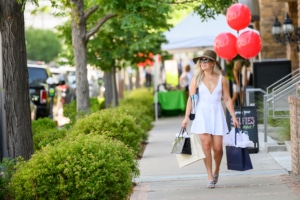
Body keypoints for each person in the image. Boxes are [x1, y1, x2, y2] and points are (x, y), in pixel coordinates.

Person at [181, 50, 239, 189]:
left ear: (213, 63)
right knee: (206, 145)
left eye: (206, 60)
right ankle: (209, 176)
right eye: (201, 61)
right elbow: (191, 98)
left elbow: (227, 99)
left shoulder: (222, 79)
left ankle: (217, 169)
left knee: (218, 149)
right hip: (202, 114)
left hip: (217, 113)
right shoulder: (196, 79)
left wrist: (233, 116)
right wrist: (186, 118)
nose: (202, 63)